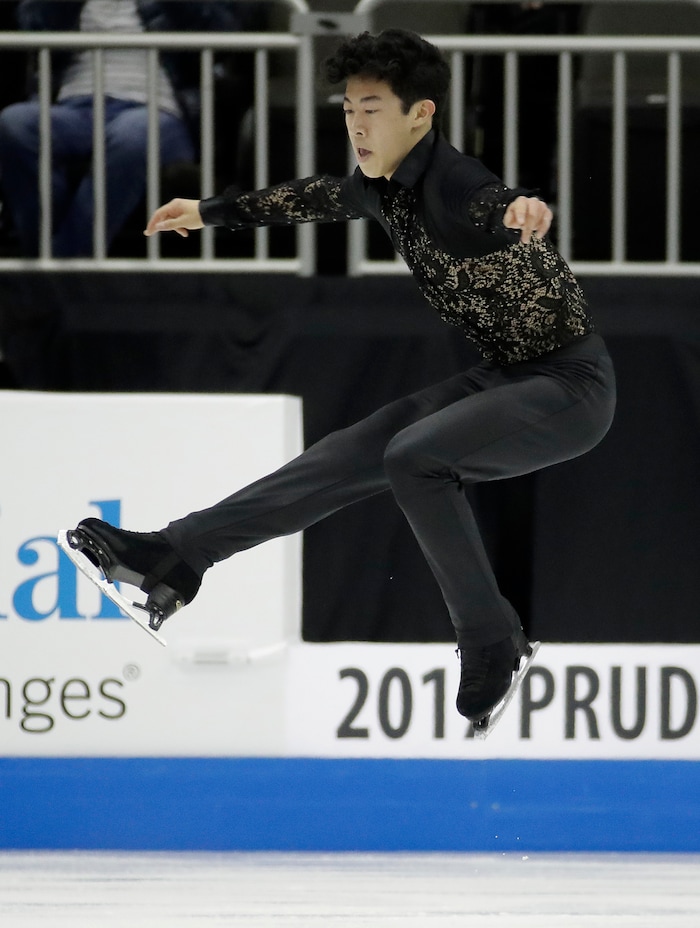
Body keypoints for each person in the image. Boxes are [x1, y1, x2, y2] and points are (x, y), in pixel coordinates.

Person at [65, 29, 616, 727]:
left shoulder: (452, 180)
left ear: (420, 114)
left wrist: (519, 210)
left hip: (571, 387)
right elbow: (320, 197)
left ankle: (490, 637)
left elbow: (489, 200)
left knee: (414, 458)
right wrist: (209, 212)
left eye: (374, 107)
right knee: (351, 453)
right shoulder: (379, 186)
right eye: (350, 107)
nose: (357, 122)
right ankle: (177, 558)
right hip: (503, 376)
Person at [0, 0, 257, 257]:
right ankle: (56, 263)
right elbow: (32, 25)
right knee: (16, 122)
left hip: (157, 111)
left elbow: (222, 29)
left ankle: (57, 265)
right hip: (73, 108)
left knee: (133, 133)